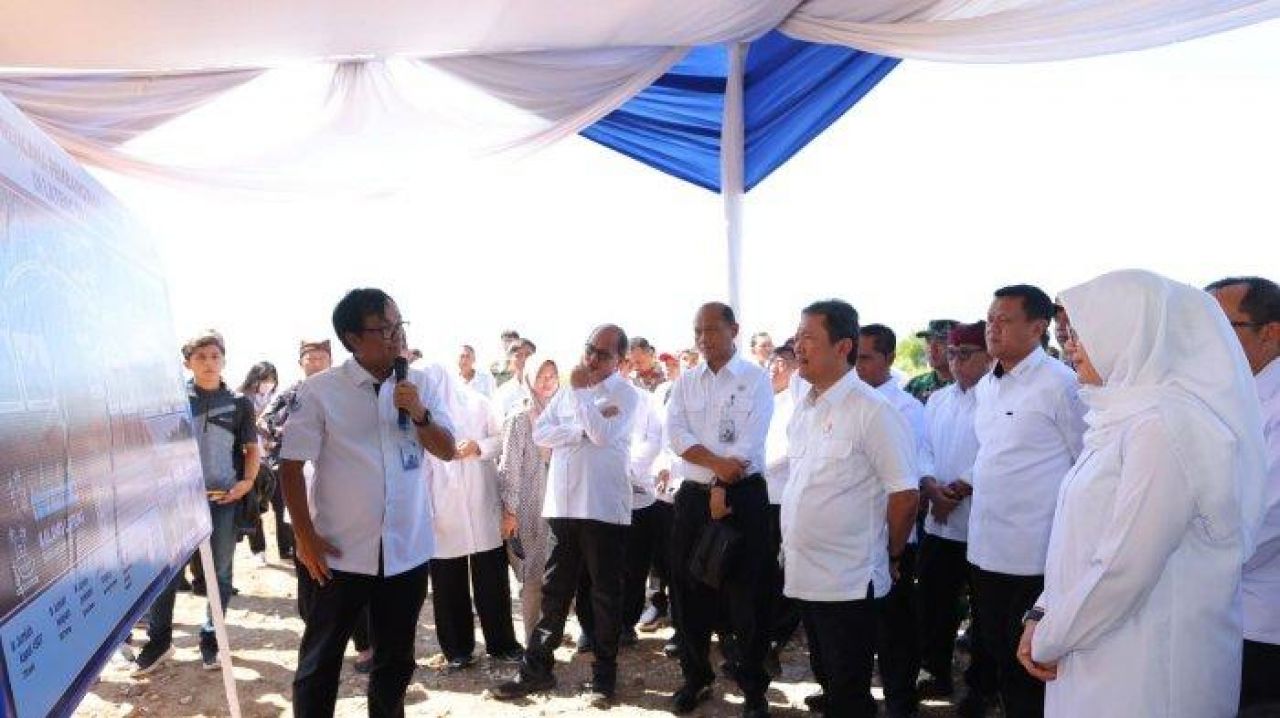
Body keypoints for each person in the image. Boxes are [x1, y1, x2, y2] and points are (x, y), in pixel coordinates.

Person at [1016, 270, 1266, 717]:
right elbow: (1078, 543)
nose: (1070, 345)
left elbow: (1125, 567)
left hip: (1145, 667)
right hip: (1094, 645)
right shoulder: (1121, 417)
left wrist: (1049, 636)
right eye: (1069, 333)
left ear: (1133, 333)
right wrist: (1041, 613)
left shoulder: (1164, 426)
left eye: (1083, 332)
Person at [280, 288, 457, 717]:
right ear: (353, 338)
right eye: (385, 329)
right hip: (339, 553)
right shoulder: (320, 390)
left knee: (395, 661)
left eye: (399, 326)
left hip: (405, 550)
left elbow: (447, 449)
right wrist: (305, 536)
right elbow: (290, 466)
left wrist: (419, 414)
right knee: (320, 661)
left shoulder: (422, 384)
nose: (397, 337)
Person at [492, 324, 640, 706]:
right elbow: (541, 433)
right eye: (590, 349)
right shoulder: (568, 392)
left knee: (604, 595)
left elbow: (603, 434)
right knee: (554, 592)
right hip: (562, 507)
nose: (592, 358)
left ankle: (604, 677)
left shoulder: (625, 394)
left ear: (620, 360)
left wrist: (583, 399)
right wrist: (579, 429)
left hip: (602, 508)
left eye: (603, 354)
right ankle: (537, 669)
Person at [785, 299, 919, 718]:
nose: (798, 346)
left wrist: (891, 554)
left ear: (843, 347)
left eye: (809, 337)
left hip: (848, 579)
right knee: (829, 679)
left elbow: (905, 495)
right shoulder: (806, 407)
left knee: (848, 689)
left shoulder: (873, 411)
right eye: (797, 336)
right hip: (805, 573)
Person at [969, 285, 1086, 718]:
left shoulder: (1062, 385)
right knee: (999, 653)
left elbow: (1085, 461)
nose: (992, 328)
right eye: (990, 319)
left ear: (1037, 327)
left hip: (1035, 555)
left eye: (1004, 320)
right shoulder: (987, 385)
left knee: (1031, 664)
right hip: (986, 549)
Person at [664, 302, 774, 717]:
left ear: (734, 330)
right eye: (698, 330)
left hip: (744, 497)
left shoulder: (755, 380)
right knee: (688, 592)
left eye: (712, 329)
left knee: (748, 596)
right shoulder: (686, 382)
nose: (703, 338)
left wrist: (724, 484)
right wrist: (714, 469)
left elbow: (750, 441)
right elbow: (676, 434)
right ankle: (696, 678)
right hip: (694, 498)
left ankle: (754, 690)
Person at [134, 330, 260, 674]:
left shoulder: (239, 403)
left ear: (224, 360)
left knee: (220, 573)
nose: (209, 363)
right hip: (177, 503)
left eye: (215, 356)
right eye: (200, 357)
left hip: (223, 500)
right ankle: (159, 642)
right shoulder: (173, 401)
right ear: (187, 362)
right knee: (167, 575)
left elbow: (251, 449)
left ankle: (211, 641)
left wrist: (247, 483)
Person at [914, 322, 997, 715]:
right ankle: (935, 671)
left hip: (981, 523)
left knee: (984, 610)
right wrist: (932, 488)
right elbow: (923, 449)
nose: (956, 362)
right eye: (951, 354)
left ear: (988, 356)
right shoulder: (938, 399)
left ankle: (982, 686)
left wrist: (961, 489)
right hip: (939, 520)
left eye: (966, 354)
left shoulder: (996, 397)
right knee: (934, 602)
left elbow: (997, 454)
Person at [1206, 276, 1280, 712]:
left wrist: (1193, 564)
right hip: (1224, 605)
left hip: (1260, 619)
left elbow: (1264, 517)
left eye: (1222, 325)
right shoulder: (1231, 392)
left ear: (1270, 332)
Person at [427, 379, 523, 672]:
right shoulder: (420, 412)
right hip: (443, 505)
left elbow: (501, 441)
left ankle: (502, 643)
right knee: (447, 581)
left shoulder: (479, 403)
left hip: (483, 501)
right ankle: (457, 649)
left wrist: (477, 446)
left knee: (492, 578)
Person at [855, 323, 925, 717]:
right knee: (856, 627)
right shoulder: (844, 401)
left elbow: (905, 484)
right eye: (855, 357)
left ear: (890, 358)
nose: (858, 366)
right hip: (853, 536)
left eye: (866, 358)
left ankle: (900, 700)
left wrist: (894, 549)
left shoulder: (905, 409)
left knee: (894, 626)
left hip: (891, 534)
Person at [497, 355, 560, 644]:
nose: (547, 382)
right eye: (541, 376)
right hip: (528, 506)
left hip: (557, 505)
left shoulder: (560, 414)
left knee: (553, 574)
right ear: (529, 378)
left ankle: (547, 635)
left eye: (552, 376)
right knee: (533, 575)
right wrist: (510, 511)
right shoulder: (519, 417)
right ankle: (533, 640)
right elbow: (509, 467)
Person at [762, 341, 801, 673]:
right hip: (759, 498)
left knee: (784, 570)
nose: (775, 368)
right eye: (772, 361)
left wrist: (752, 466)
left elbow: (788, 451)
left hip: (784, 497)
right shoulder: (763, 400)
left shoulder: (797, 403)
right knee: (761, 570)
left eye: (783, 363)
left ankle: (775, 637)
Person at [238, 361, 279, 565]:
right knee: (253, 507)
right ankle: (258, 550)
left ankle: (285, 547)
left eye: (272, 380)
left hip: (272, 459)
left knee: (274, 504)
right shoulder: (241, 399)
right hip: (251, 461)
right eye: (264, 379)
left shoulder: (276, 399)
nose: (268, 384)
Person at [905, 319, 959, 404]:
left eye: (941, 341)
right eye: (928, 341)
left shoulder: (967, 385)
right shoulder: (915, 386)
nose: (932, 348)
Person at [493, 338, 536, 420]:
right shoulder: (502, 392)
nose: (524, 359)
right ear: (511, 361)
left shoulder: (547, 388)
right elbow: (497, 423)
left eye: (528, 355)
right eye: (518, 355)